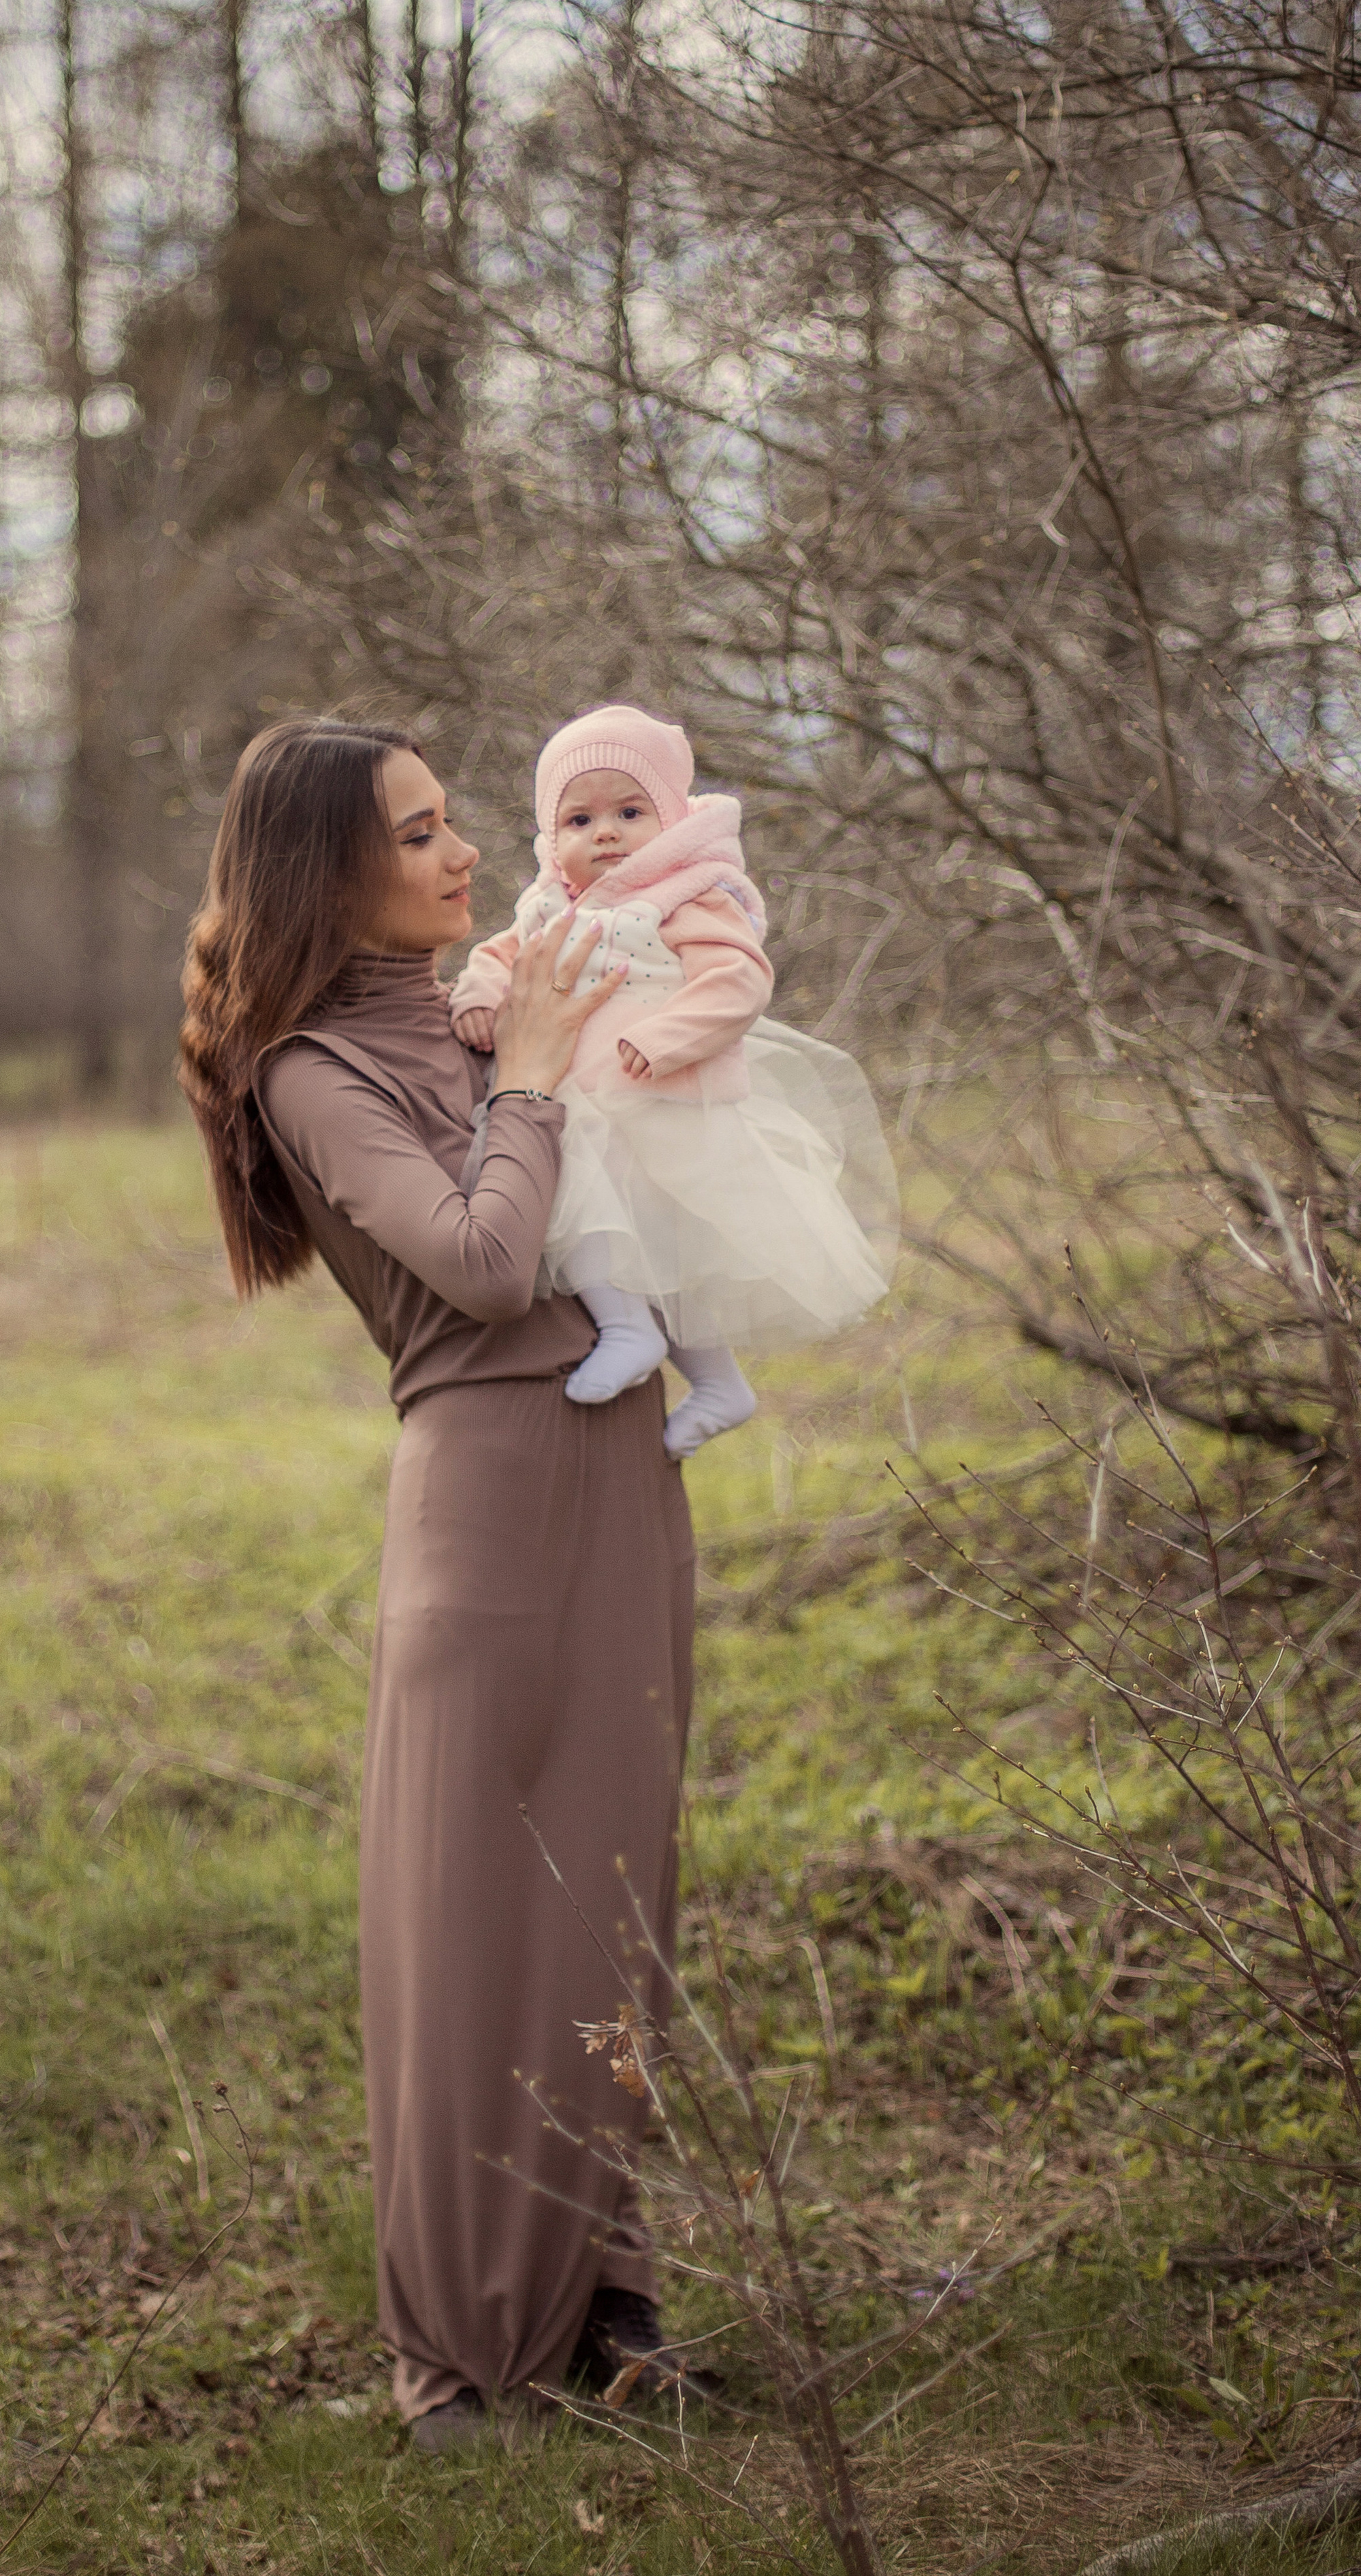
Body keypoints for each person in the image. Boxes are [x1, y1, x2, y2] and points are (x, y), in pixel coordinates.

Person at [178, 717, 695, 2453]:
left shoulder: (479, 995)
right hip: (483, 1492)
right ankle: (469, 2349)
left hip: (620, 1472)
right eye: (418, 832)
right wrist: (538, 1071)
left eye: (451, 818)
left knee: (612, 1894)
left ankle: (603, 2298)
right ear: (331, 871)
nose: (465, 848)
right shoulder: (310, 1067)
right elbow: (481, 1268)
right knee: (478, 1919)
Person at [448, 705, 897, 1458]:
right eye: (580, 819)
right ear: (552, 835)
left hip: (666, 1101)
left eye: (630, 811)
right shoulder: (546, 904)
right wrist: (477, 999)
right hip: (580, 1106)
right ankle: (674, 1359)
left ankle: (680, 1361)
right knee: (611, 1228)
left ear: (672, 818)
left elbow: (737, 979)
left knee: (676, 1256)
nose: (606, 833)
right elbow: (499, 959)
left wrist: (662, 1038)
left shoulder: (687, 896)